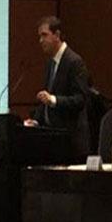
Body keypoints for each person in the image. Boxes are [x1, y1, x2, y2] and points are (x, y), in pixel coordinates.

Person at [23, 16, 91, 161]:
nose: (40, 40)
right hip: (54, 142)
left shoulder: (74, 62)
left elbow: (80, 99)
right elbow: (47, 98)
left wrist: (54, 100)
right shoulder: (51, 63)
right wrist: (36, 121)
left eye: (44, 35)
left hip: (71, 143)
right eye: (39, 36)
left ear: (57, 35)